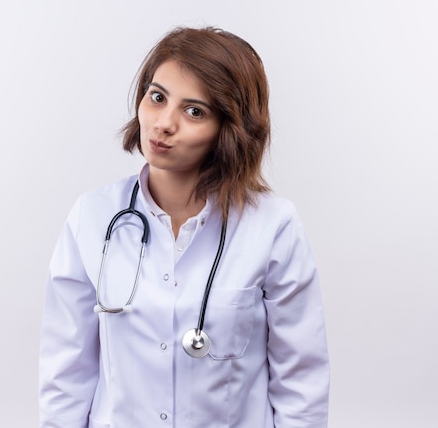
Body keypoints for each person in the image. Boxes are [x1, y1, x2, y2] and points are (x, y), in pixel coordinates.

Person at [39, 26, 329, 428]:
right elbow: (66, 374)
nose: (163, 124)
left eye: (194, 111)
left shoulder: (273, 226)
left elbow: (301, 382)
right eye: (157, 98)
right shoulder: (92, 216)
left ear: (230, 129)